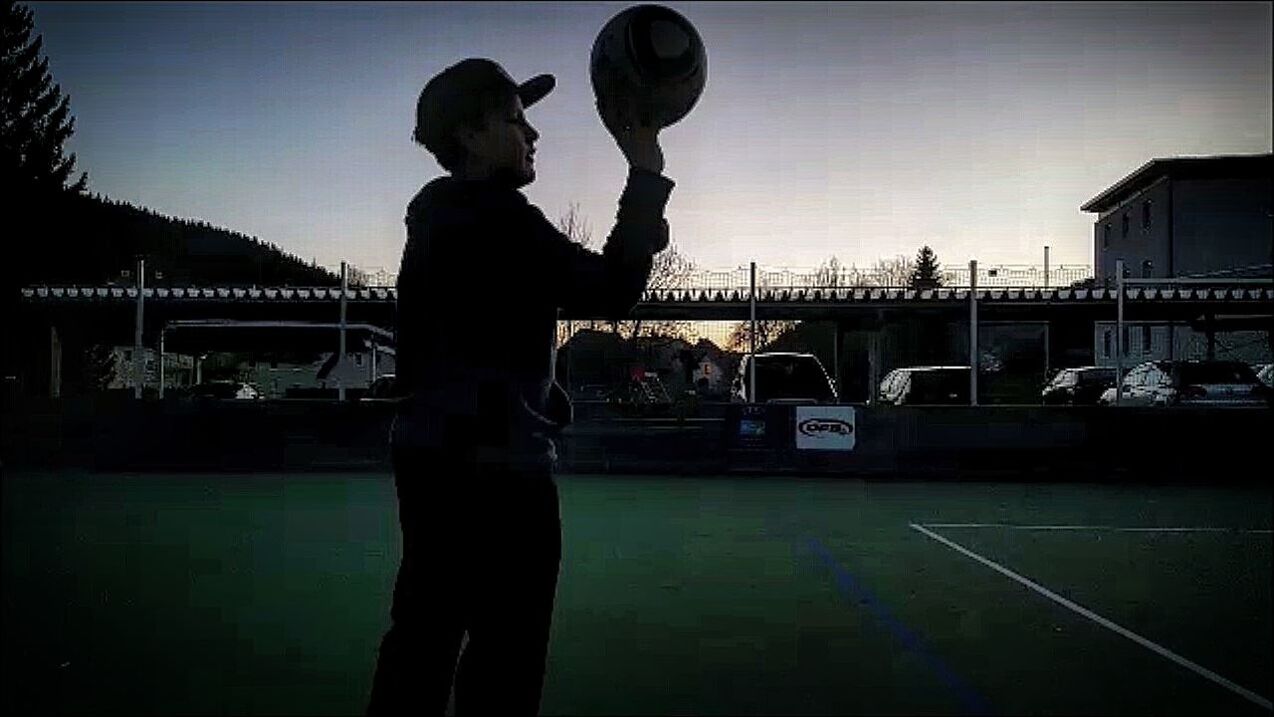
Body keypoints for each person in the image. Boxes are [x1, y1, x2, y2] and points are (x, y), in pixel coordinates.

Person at [366, 58, 675, 715]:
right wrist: (645, 172)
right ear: (472, 136)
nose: (531, 134)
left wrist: (644, 226)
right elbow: (613, 290)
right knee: (505, 658)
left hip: (436, 460)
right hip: (497, 473)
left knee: (422, 639)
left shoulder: (444, 217)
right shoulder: (496, 220)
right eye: (514, 119)